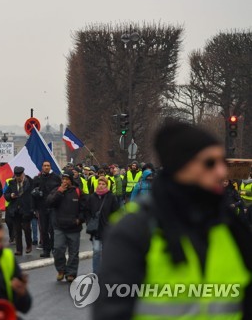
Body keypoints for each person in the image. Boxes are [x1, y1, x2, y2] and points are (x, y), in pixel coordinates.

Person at [95, 121, 252, 319]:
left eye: (222, 162)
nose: (221, 171)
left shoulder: (230, 225)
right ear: (182, 166)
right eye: (210, 163)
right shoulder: (134, 229)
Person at [47, 171, 86, 282]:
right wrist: (59, 192)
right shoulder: (56, 190)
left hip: (74, 226)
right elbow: (49, 202)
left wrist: (80, 219)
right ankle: (61, 270)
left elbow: (84, 208)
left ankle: (71, 273)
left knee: (73, 252)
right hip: (59, 226)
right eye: (63, 179)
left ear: (71, 180)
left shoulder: (77, 191)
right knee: (58, 249)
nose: (64, 181)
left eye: (67, 179)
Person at [85, 176, 119, 273]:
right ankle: (96, 272)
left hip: (107, 229)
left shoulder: (111, 197)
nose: (100, 186)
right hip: (95, 230)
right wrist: (88, 222)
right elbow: (87, 211)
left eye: (103, 184)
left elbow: (116, 212)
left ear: (107, 185)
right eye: (99, 184)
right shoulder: (92, 197)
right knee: (96, 251)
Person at [32, 161, 61, 258]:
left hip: (53, 207)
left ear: (50, 167)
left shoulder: (56, 178)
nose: (46, 167)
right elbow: (32, 194)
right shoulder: (37, 179)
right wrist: (35, 208)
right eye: (45, 166)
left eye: (48, 166)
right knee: (43, 230)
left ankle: (53, 248)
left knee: (53, 229)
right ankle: (46, 249)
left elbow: (60, 192)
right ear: (42, 167)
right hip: (41, 207)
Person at [5, 167, 34, 256]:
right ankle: (19, 250)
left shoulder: (29, 182)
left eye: (20, 175)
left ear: (23, 174)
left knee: (26, 229)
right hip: (15, 210)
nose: (18, 177)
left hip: (26, 209)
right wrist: (10, 195)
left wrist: (32, 208)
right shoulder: (12, 183)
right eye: (16, 176)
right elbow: (6, 195)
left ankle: (29, 245)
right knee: (17, 231)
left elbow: (32, 196)